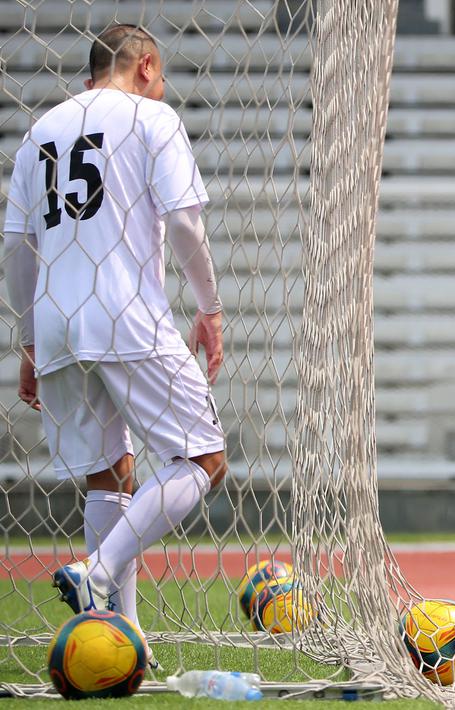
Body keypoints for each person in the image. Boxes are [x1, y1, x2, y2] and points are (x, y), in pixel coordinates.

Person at [3, 25, 227, 662]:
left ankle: (121, 640)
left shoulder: (40, 131)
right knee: (203, 460)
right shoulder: (150, 117)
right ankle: (96, 570)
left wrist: (27, 339)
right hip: (125, 314)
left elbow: (16, 247)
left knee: (111, 476)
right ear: (147, 65)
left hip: (55, 321)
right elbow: (184, 221)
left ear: (87, 76)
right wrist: (208, 308)